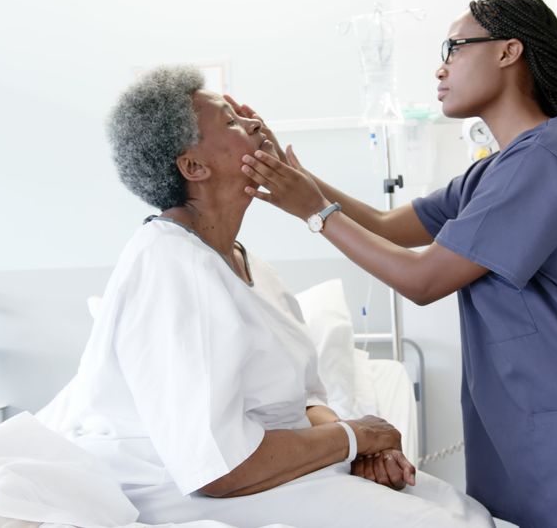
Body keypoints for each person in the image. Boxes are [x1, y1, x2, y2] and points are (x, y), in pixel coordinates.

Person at [239, 0, 557, 528]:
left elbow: (422, 279)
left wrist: (315, 213)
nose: (440, 68)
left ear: (510, 51)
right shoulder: (498, 169)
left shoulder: (547, 159)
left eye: (454, 49)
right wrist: (291, 176)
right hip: (543, 433)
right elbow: (389, 225)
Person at [37, 65, 496, 528]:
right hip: (199, 488)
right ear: (194, 166)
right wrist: (356, 438)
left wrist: (358, 448)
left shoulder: (248, 265)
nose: (256, 124)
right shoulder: (169, 266)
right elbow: (218, 465)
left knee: (457, 509)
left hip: (281, 468)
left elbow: (306, 401)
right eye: (232, 122)